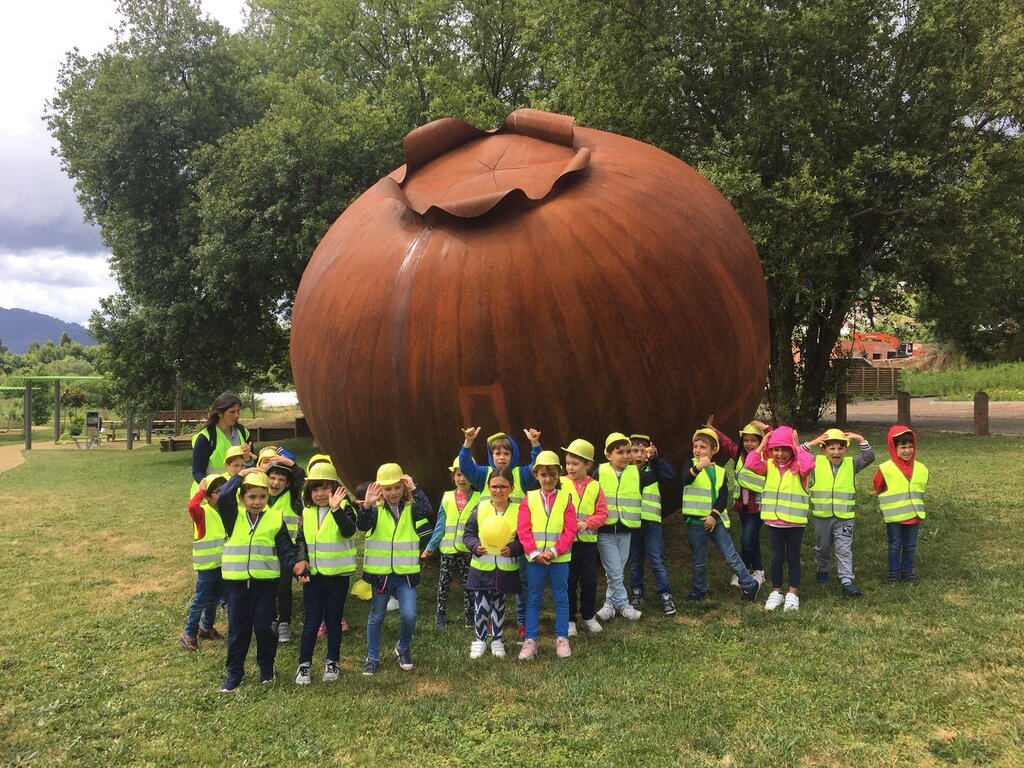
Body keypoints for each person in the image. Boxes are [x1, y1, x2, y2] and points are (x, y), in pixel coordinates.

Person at [214, 469, 300, 692]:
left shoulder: (274, 518)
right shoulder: (233, 517)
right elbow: (223, 497)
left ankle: (266, 667)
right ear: (242, 498)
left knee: (264, 628)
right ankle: (234, 673)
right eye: (251, 497)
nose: (257, 502)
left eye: (262, 497)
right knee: (238, 630)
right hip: (238, 585)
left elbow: (285, 549)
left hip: (265, 585)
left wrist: (298, 567)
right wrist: (241, 475)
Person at [459, 427, 543, 639]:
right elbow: (466, 466)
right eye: (497, 453)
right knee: (488, 582)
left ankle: (522, 621)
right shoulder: (483, 474)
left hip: (515, 541)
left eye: (507, 453)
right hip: (488, 541)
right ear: (491, 455)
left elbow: (537, 466)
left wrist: (535, 446)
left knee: (521, 581)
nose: (502, 458)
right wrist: (468, 443)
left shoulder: (521, 475)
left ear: (513, 455)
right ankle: (488, 620)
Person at [358, 463, 433, 675]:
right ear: (380, 489)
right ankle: (372, 657)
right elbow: (362, 526)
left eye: (397, 487)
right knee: (377, 615)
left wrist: (415, 489)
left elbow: (427, 509)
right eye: (388, 488)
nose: (393, 493)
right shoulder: (374, 510)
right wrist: (365, 505)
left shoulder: (411, 508)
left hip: (405, 575)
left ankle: (403, 647)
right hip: (381, 575)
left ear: (404, 488)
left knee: (409, 615)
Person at [293, 462, 358, 684]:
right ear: (309, 491)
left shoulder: (346, 507)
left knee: (332, 620)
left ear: (335, 488)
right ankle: (304, 665)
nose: (320, 494)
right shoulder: (307, 511)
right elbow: (301, 538)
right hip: (314, 576)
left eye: (325, 488)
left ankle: (333, 662)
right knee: (311, 621)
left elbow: (349, 531)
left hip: (338, 577)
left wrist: (336, 509)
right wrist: (301, 560)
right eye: (315, 489)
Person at [679, 428, 761, 603]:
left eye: (703, 447)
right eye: (695, 446)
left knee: (730, 554)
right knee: (699, 558)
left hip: (716, 521)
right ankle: (699, 589)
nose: (698, 450)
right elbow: (686, 479)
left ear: (714, 450)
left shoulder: (720, 472)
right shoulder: (690, 465)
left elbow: (723, 497)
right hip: (695, 522)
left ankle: (750, 584)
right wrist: (697, 468)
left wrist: (713, 516)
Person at [595, 432, 665, 622]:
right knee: (615, 570)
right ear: (609, 455)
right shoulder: (599, 471)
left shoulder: (637, 473)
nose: (626, 456)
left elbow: (658, 476)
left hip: (626, 530)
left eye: (628, 452)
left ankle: (609, 605)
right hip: (605, 530)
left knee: (617, 569)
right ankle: (624, 605)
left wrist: (655, 458)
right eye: (620, 452)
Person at [743, 425, 814, 611]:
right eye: (776, 449)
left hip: (795, 523)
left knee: (792, 558)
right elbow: (750, 464)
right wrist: (763, 444)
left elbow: (809, 465)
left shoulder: (799, 467)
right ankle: (776, 592)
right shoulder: (768, 466)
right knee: (776, 558)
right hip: (774, 523)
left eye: (785, 449)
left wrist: (798, 447)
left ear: (791, 450)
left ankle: (792, 593)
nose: (780, 454)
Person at [517, 451, 576, 660]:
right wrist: (534, 553)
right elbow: (523, 529)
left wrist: (553, 551)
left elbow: (570, 530)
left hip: (559, 559)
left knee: (561, 597)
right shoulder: (529, 498)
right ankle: (530, 640)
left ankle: (562, 638)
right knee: (533, 599)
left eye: (552, 474)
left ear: (558, 474)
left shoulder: (566, 498)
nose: (548, 479)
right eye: (543, 475)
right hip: (535, 560)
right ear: (536, 475)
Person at [803, 428, 875, 596]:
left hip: (844, 517)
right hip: (822, 516)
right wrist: (812, 442)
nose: (836, 452)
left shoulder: (851, 464)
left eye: (840, 448)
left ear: (846, 450)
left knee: (844, 548)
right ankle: (822, 569)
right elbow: (797, 456)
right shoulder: (815, 463)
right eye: (832, 448)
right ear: (823, 449)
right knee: (823, 547)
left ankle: (846, 581)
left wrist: (860, 438)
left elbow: (869, 457)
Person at [462, 467, 524, 659]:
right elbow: (468, 534)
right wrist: (474, 546)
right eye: (494, 486)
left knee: (499, 605)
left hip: (505, 568)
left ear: (511, 488)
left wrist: (513, 548)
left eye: (503, 486)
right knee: (481, 605)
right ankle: (479, 640)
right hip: (482, 568)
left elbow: (524, 538)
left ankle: (497, 639)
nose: (498, 490)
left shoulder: (518, 510)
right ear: (488, 487)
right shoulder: (480, 509)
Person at [709, 417, 769, 584]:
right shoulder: (739, 454)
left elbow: (774, 438)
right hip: (742, 507)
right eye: (746, 440)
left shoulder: (766, 456)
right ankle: (759, 570)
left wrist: (766, 428)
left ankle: (743, 571)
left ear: (761, 441)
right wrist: (714, 430)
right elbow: (727, 443)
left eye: (753, 440)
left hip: (758, 507)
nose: (749, 444)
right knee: (753, 538)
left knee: (747, 539)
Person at [422, 459, 480, 628]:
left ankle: (470, 615)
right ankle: (440, 614)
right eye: (459, 474)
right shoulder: (447, 497)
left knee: (469, 585)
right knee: (444, 583)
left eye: (467, 475)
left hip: (466, 551)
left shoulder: (478, 498)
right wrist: (431, 547)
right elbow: (440, 524)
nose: (462, 479)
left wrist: (476, 546)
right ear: (453, 476)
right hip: (447, 550)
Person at [626, 433, 679, 615]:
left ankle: (665, 595)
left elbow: (670, 476)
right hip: (632, 523)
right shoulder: (625, 471)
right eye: (634, 450)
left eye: (642, 450)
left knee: (657, 560)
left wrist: (655, 459)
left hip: (651, 523)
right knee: (635, 561)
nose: (639, 455)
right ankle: (637, 591)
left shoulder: (653, 469)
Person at [560, 439, 607, 635]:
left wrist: (587, 524)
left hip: (587, 544)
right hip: (566, 544)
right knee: (568, 582)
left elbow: (603, 513)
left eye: (575, 463)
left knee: (589, 581)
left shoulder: (595, 486)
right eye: (568, 463)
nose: (570, 467)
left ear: (588, 464)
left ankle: (588, 615)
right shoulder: (560, 483)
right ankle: (569, 619)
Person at [874, 426, 929, 584]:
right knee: (895, 545)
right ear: (894, 447)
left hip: (914, 515)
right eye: (903, 447)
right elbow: (878, 485)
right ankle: (894, 575)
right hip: (894, 517)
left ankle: (908, 573)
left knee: (910, 546)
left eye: (910, 446)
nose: (907, 450)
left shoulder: (921, 468)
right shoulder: (886, 468)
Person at [180, 474, 227, 651]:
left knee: (214, 599)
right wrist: (201, 488)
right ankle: (189, 633)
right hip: (207, 568)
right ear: (208, 496)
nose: (222, 495)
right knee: (200, 600)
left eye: (225, 490)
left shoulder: (227, 511)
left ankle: (206, 628)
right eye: (218, 491)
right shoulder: (202, 512)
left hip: (223, 565)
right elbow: (192, 505)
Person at [265, 457, 306, 644]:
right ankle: (271, 619)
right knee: (268, 588)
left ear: (287, 483)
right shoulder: (257, 496)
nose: (276, 483)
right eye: (272, 478)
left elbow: (300, 477)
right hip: (263, 552)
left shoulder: (291, 497)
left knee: (283, 588)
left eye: (281, 480)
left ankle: (284, 622)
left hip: (286, 552)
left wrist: (287, 462)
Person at [190, 392, 252, 496]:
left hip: (238, 493)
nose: (237, 415)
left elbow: (251, 463)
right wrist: (212, 491)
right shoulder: (206, 437)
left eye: (238, 411)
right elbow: (197, 471)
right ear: (219, 413)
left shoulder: (243, 432)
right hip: (213, 495)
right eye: (232, 412)